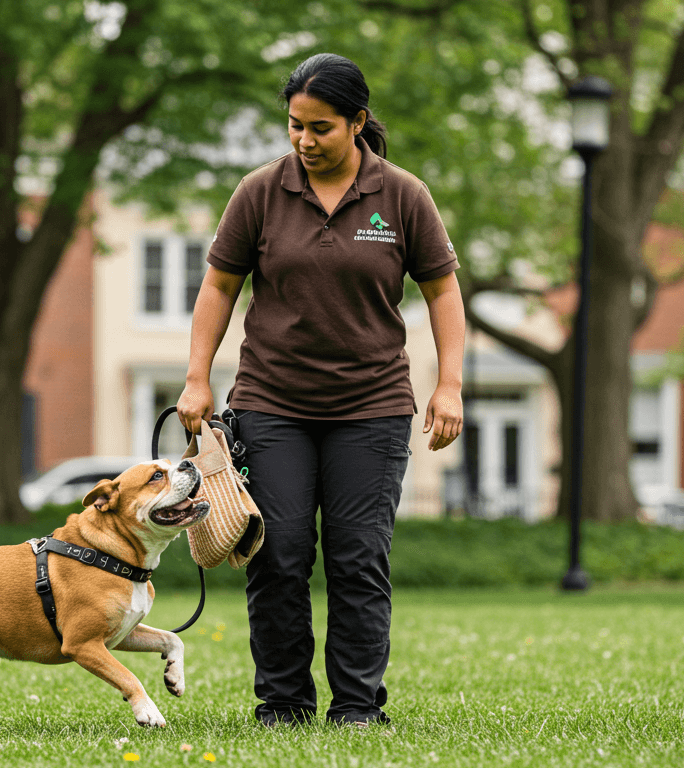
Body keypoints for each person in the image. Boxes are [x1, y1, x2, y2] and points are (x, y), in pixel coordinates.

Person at [177, 52, 466, 727]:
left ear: (358, 123)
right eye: (294, 126)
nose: (304, 141)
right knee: (277, 555)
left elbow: (444, 291)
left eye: (321, 128)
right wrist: (196, 376)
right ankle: (283, 702)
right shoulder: (260, 192)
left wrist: (448, 384)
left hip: (372, 407)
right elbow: (219, 286)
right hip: (272, 402)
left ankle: (359, 707)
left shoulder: (402, 196)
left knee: (358, 558)